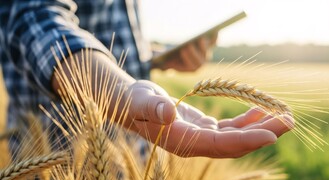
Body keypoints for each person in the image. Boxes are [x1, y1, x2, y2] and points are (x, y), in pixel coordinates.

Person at [0, 0, 293, 159]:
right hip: (56, 165)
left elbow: (110, 38)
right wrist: (118, 89)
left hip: (129, 164)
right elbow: (32, 18)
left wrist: (155, 58)